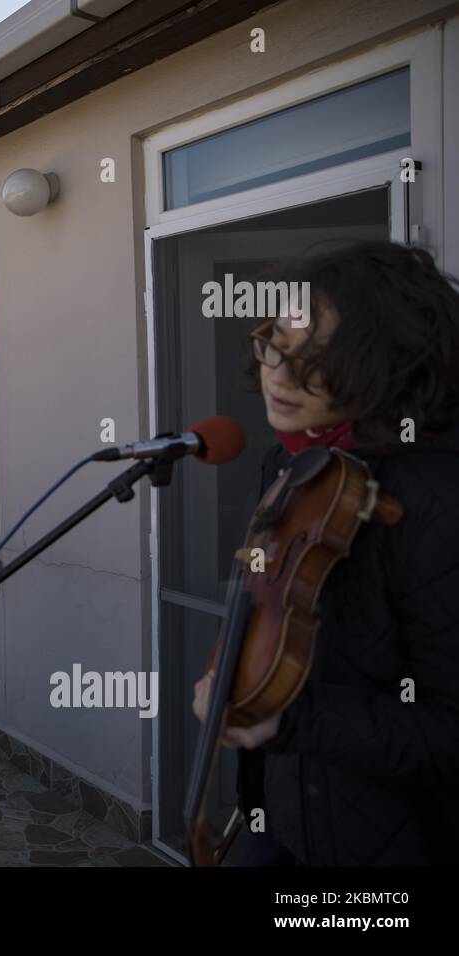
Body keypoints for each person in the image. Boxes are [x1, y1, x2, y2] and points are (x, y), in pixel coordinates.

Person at [192, 240, 459, 866]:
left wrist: (289, 721)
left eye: (320, 360)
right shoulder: (291, 461)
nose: (279, 375)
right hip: (287, 825)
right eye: (277, 344)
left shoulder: (435, 499)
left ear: (392, 365)